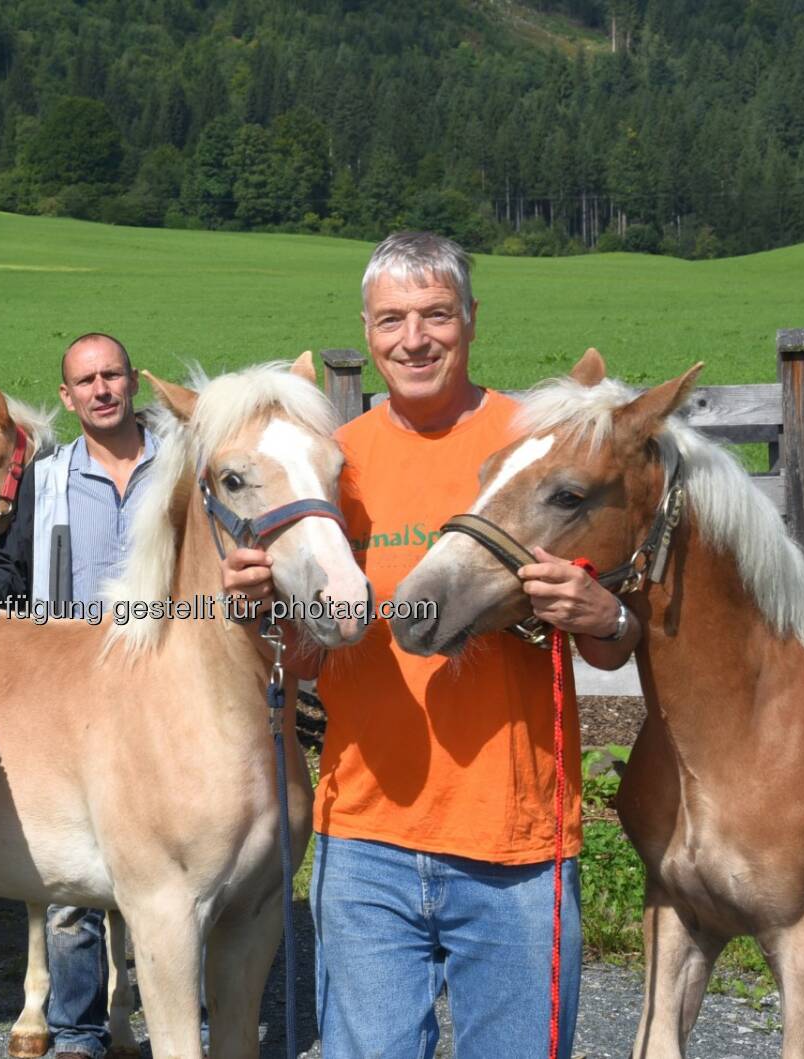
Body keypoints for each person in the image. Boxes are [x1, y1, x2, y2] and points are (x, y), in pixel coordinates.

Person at [221, 232, 640, 1057]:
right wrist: (263, 612)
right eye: (392, 320)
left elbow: (612, 650)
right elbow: (309, 659)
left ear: (472, 320)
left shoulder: (539, 443)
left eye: (436, 315)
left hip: (515, 844)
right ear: (369, 332)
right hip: (366, 839)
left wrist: (603, 612)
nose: (414, 338)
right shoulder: (336, 464)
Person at [0, 332, 157, 1059]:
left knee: (173, 860)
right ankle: (77, 1031)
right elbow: (14, 566)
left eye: (111, 375)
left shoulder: (182, 463)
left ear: (132, 381)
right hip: (77, 689)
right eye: (85, 381)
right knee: (77, 872)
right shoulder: (51, 475)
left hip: (167, 688)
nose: (101, 389)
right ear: (68, 398)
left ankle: (174, 1019)